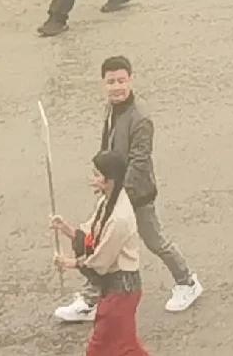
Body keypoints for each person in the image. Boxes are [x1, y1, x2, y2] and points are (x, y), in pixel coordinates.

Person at [54, 56, 202, 325]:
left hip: (136, 193)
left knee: (154, 241)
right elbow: (108, 146)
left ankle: (187, 281)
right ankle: (90, 299)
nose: (116, 87)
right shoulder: (111, 108)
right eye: (111, 82)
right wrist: (103, 176)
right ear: (103, 84)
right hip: (114, 188)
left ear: (131, 80)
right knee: (99, 240)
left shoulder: (141, 118)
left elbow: (139, 160)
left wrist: (117, 191)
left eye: (121, 81)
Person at [47, 150, 148, 355]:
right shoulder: (107, 201)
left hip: (121, 292)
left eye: (97, 175)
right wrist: (66, 228)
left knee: (99, 348)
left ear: (109, 180)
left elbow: (100, 261)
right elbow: (91, 234)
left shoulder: (119, 218)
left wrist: (69, 263)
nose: (93, 179)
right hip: (119, 290)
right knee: (128, 347)